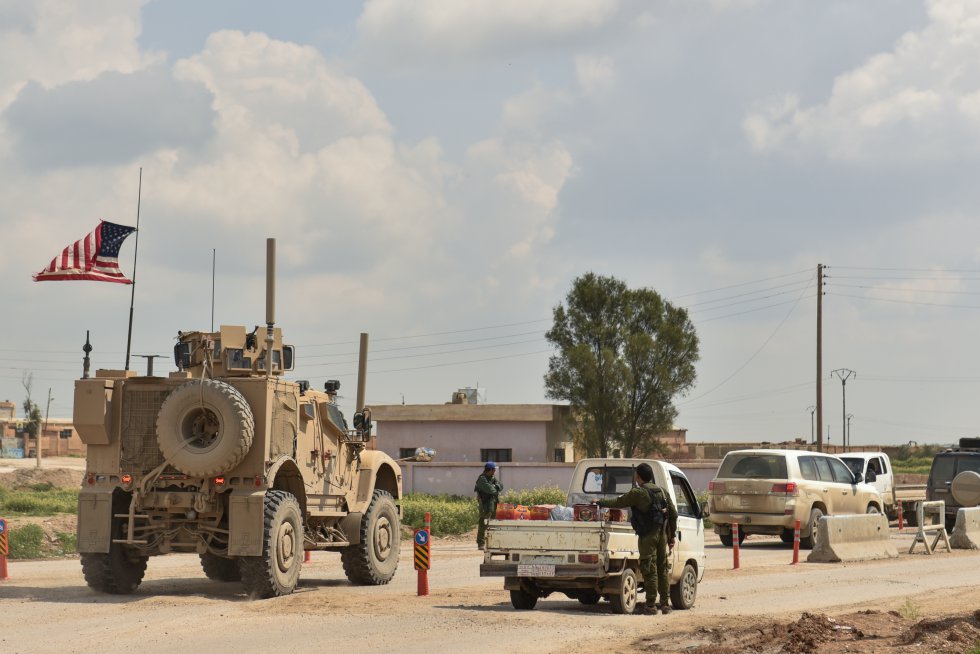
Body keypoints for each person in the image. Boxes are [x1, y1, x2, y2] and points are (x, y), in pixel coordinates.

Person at [597, 462, 678, 615]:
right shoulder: (662, 491)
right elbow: (673, 514)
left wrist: (599, 502)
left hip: (648, 535)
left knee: (649, 568)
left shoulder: (639, 493)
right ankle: (665, 604)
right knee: (662, 567)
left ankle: (650, 605)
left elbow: (619, 502)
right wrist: (671, 535)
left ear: (638, 476)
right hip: (662, 534)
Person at [475, 461, 503, 548]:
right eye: (494, 469)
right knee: (483, 524)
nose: (494, 471)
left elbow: (501, 485)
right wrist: (495, 487)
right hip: (485, 504)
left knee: (493, 523)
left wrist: (496, 486)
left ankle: (492, 542)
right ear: (490, 470)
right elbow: (491, 490)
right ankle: (481, 543)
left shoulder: (492, 478)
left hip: (493, 504)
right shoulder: (482, 479)